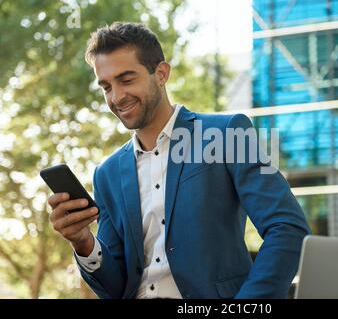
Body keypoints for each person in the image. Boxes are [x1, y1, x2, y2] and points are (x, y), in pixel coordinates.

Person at [47, 22, 311, 299]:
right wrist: (84, 242)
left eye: (126, 80)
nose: (117, 97)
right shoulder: (107, 173)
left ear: (161, 73)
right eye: (106, 87)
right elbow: (116, 287)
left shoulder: (228, 133)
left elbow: (288, 228)